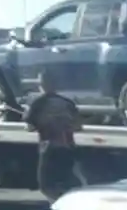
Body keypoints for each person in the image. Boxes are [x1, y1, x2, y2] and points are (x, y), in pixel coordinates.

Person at [24, 71, 84, 202]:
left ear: (41, 84)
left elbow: (29, 127)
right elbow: (78, 126)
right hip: (68, 148)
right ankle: (71, 202)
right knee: (68, 181)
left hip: (49, 149)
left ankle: (58, 204)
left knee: (45, 184)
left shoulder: (38, 104)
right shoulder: (67, 103)